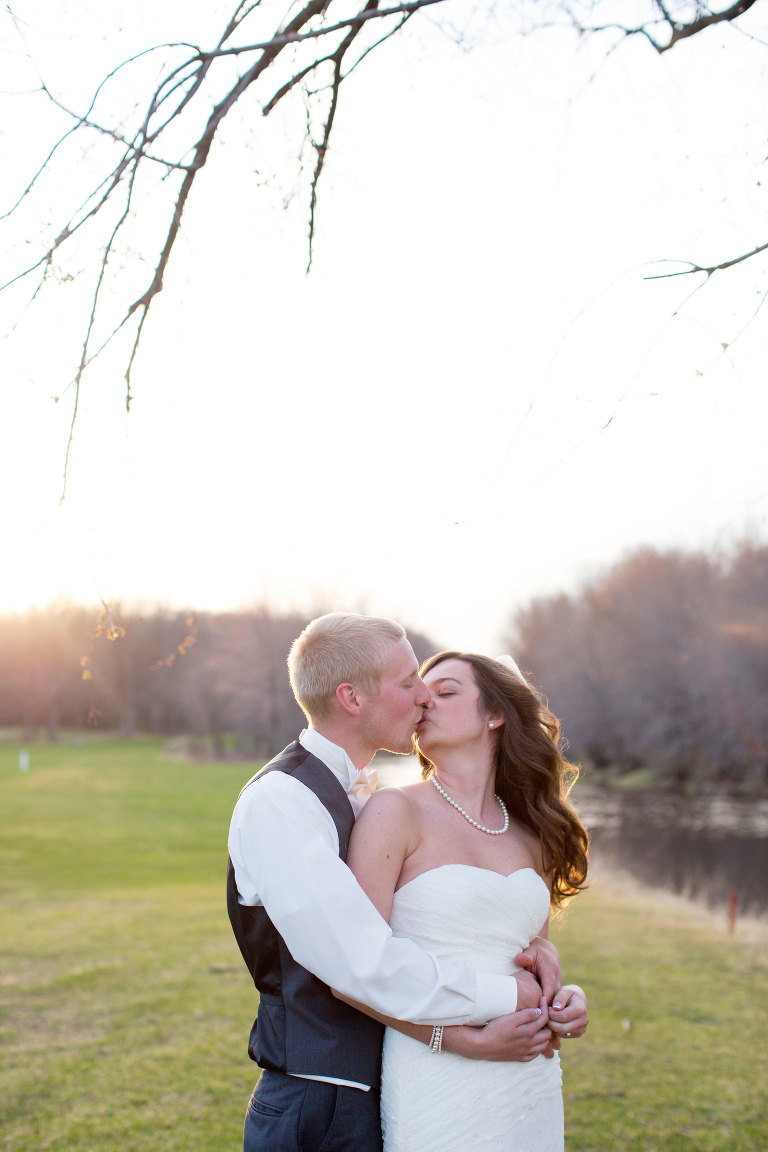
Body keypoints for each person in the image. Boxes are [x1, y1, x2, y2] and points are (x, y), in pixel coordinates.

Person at [227, 614, 569, 1152]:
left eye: (432, 686)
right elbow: (359, 961)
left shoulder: (358, 796)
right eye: (409, 682)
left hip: (388, 1083)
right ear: (352, 698)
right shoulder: (283, 801)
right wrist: (499, 1002)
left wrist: (542, 960)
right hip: (317, 1096)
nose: (422, 698)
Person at [346, 650, 590, 1152]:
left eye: (447, 690)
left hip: (529, 1079)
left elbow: (530, 958)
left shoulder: (531, 831)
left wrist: (566, 1001)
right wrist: (466, 1042)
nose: (424, 700)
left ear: (495, 714)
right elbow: (353, 973)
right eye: (419, 691)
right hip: (436, 1072)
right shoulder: (393, 811)